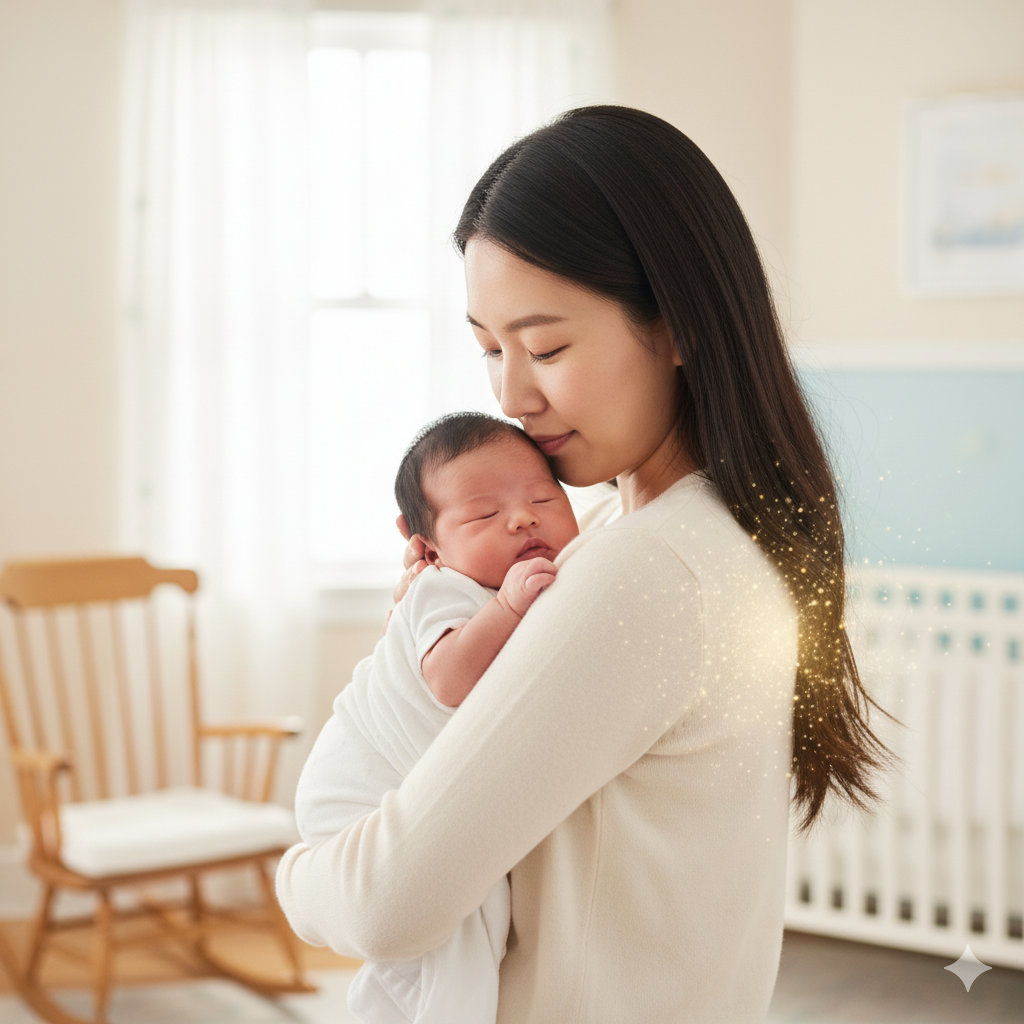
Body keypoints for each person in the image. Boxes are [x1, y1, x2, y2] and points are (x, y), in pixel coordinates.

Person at [277, 105, 891, 1024]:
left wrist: (293, 876)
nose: (513, 395)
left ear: (677, 322)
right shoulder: (674, 532)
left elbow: (384, 901)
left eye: (547, 346)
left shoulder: (646, 571)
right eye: (490, 350)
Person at [293, 412, 579, 1023]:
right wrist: (506, 606)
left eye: (543, 498)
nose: (523, 518)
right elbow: (449, 681)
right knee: (453, 945)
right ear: (426, 546)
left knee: (470, 929)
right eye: (482, 515)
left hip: (406, 796)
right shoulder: (442, 588)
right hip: (358, 790)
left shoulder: (550, 576)